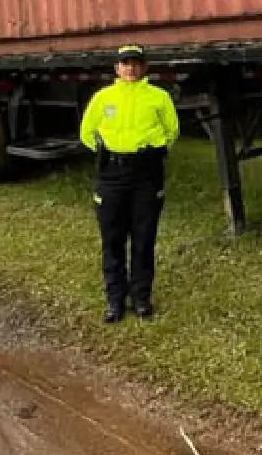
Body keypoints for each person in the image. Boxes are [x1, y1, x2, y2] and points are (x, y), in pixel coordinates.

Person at [78, 44, 180, 322]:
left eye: (135, 63)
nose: (131, 68)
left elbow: (172, 131)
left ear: (143, 67)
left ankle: (141, 298)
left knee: (143, 239)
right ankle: (114, 300)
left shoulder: (158, 97)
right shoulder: (103, 98)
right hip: (111, 175)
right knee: (112, 240)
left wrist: (152, 152)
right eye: (125, 63)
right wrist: (105, 153)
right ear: (117, 68)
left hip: (146, 176)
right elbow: (87, 132)